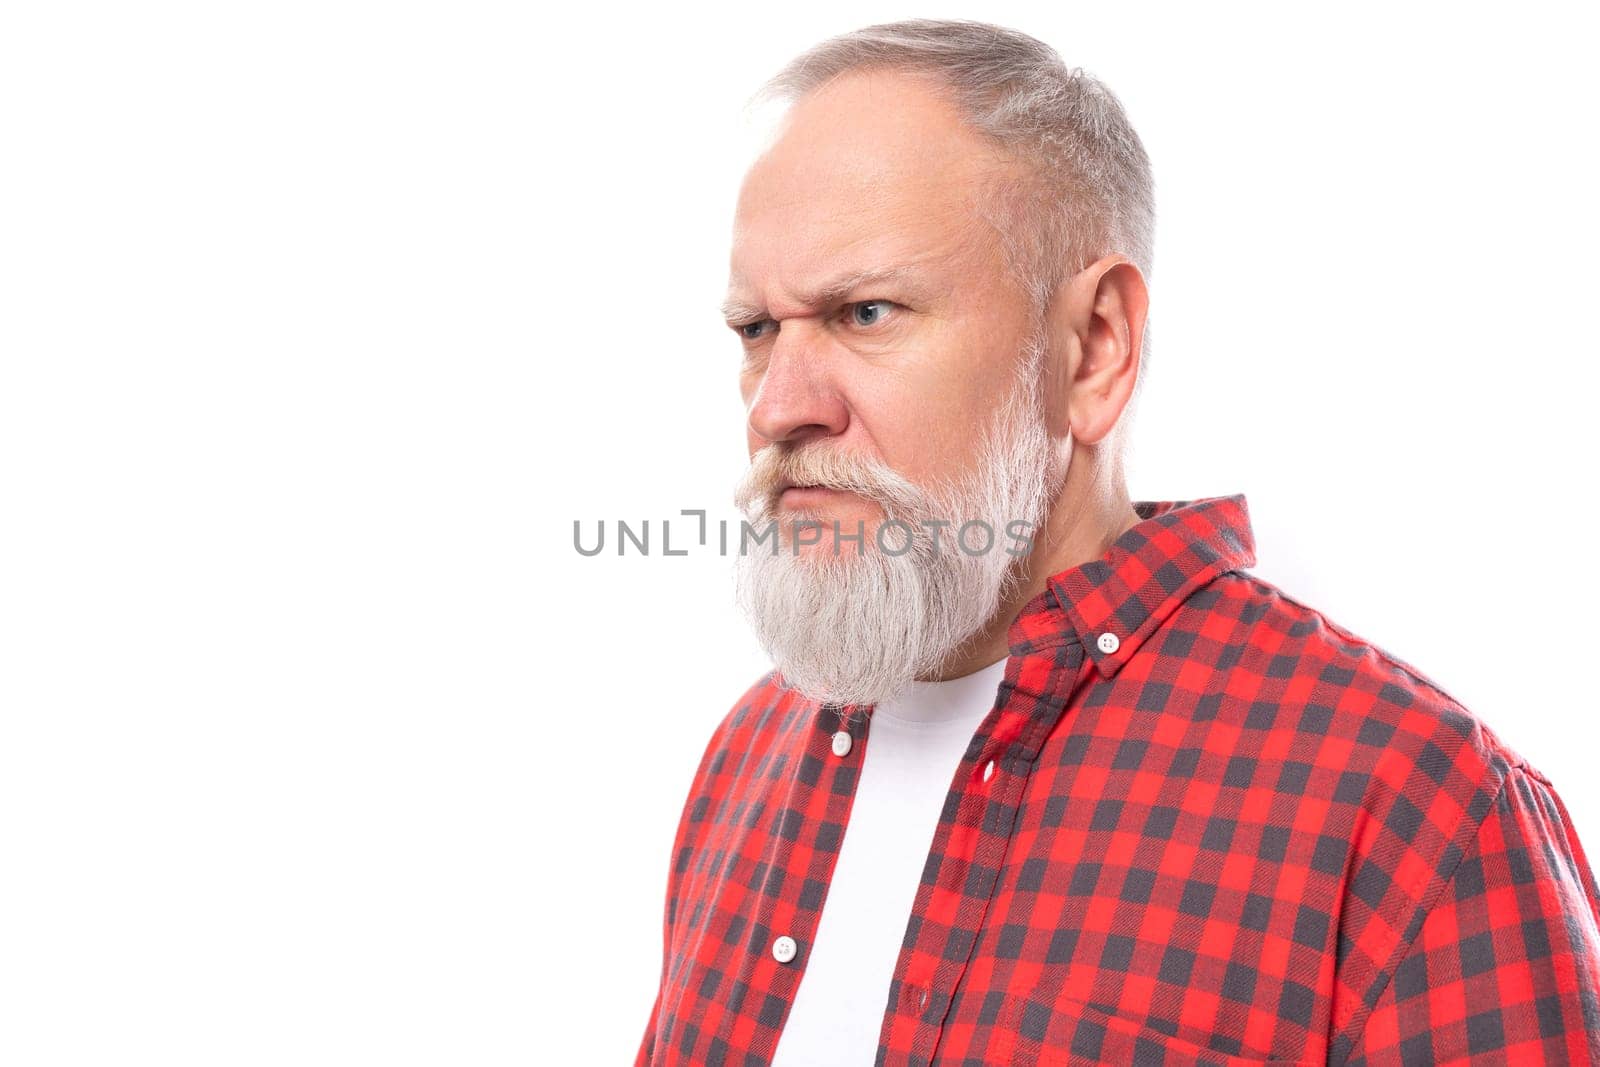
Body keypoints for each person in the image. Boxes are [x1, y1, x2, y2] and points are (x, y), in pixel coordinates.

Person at [634, 18, 1600, 1066]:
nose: (777, 406)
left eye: (866, 311)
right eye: (754, 330)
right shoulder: (752, 753)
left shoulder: (1415, 808)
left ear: (1094, 348)